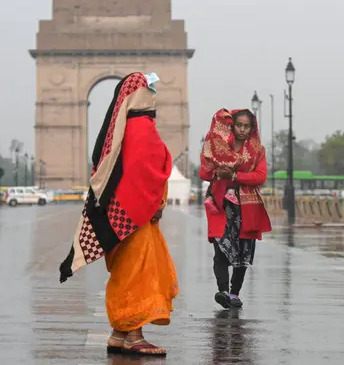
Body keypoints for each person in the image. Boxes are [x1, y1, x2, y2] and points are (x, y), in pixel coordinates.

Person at [59, 72, 177, 357]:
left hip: (119, 216)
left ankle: (119, 333)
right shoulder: (142, 128)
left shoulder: (122, 129)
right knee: (141, 275)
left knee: (125, 273)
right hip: (138, 217)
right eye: (150, 90)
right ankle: (134, 335)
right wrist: (156, 205)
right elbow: (146, 173)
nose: (154, 96)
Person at [199, 108, 272, 309]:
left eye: (246, 126)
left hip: (246, 208)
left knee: (243, 249)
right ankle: (222, 290)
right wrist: (215, 170)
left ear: (252, 127)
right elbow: (204, 174)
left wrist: (234, 177)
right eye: (238, 125)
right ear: (232, 125)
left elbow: (260, 176)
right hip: (221, 204)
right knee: (220, 246)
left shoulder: (258, 151)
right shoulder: (218, 145)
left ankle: (234, 293)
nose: (242, 129)